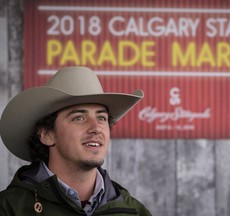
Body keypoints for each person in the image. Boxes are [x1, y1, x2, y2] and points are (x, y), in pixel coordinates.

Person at [0, 66, 151, 215]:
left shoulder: (134, 211)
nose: (96, 128)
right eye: (79, 118)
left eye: (101, 118)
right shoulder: (9, 209)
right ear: (47, 134)